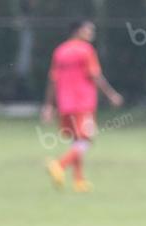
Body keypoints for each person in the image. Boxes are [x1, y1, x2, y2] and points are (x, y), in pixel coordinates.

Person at [43, 19, 123, 193]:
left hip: (65, 104)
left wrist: (49, 105)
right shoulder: (86, 50)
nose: (91, 34)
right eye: (88, 30)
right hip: (83, 103)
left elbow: (53, 79)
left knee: (76, 141)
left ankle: (79, 181)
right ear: (77, 31)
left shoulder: (60, 51)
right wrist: (111, 95)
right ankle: (59, 165)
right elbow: (95, 75)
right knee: (86, 140)